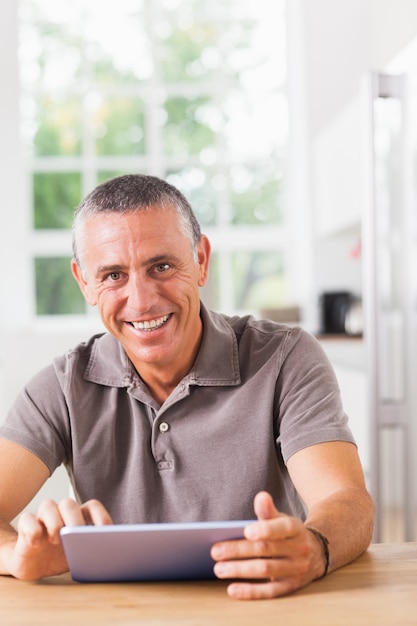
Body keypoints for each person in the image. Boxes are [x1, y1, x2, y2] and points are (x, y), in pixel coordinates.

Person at [0, 174, 374, 600]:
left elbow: (347, 500)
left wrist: (316, 547)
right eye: (113, 275)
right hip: (122, 612)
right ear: (84, 282)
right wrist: (14, 555)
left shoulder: (286, 357)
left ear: (201, 259)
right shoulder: (62, 386)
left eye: (161, 266)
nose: (141, 301)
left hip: (260, 606)